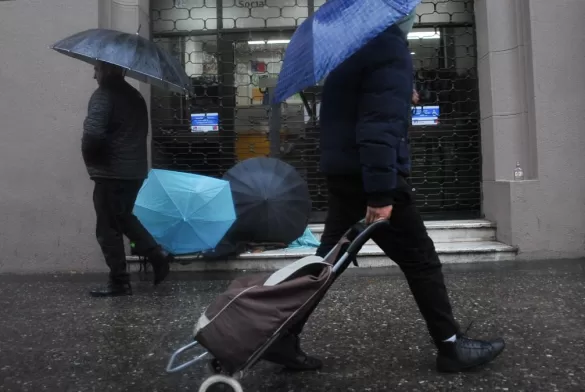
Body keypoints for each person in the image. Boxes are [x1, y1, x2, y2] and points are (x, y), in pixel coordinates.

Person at [263, 23, 505, 373]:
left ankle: (282, 334)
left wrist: (401, 91)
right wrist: (380, 195)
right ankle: (451, 347)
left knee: (326, 262)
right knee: (421, 260)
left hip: (345, 173)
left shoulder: (351, 44)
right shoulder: (388, 44)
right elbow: (376, 128)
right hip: (370, 179)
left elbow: (359, 105)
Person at [82, 61, 173, 297]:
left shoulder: (104, 95)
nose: (94, 75)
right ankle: (156, 254)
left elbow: (92, 134)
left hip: (111, 172)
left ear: (107, 70)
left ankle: (119, 282)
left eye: (97, 69)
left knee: (107, 228)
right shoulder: (135, 96)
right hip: (133, 172)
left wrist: (92, 160)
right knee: (123, 218)